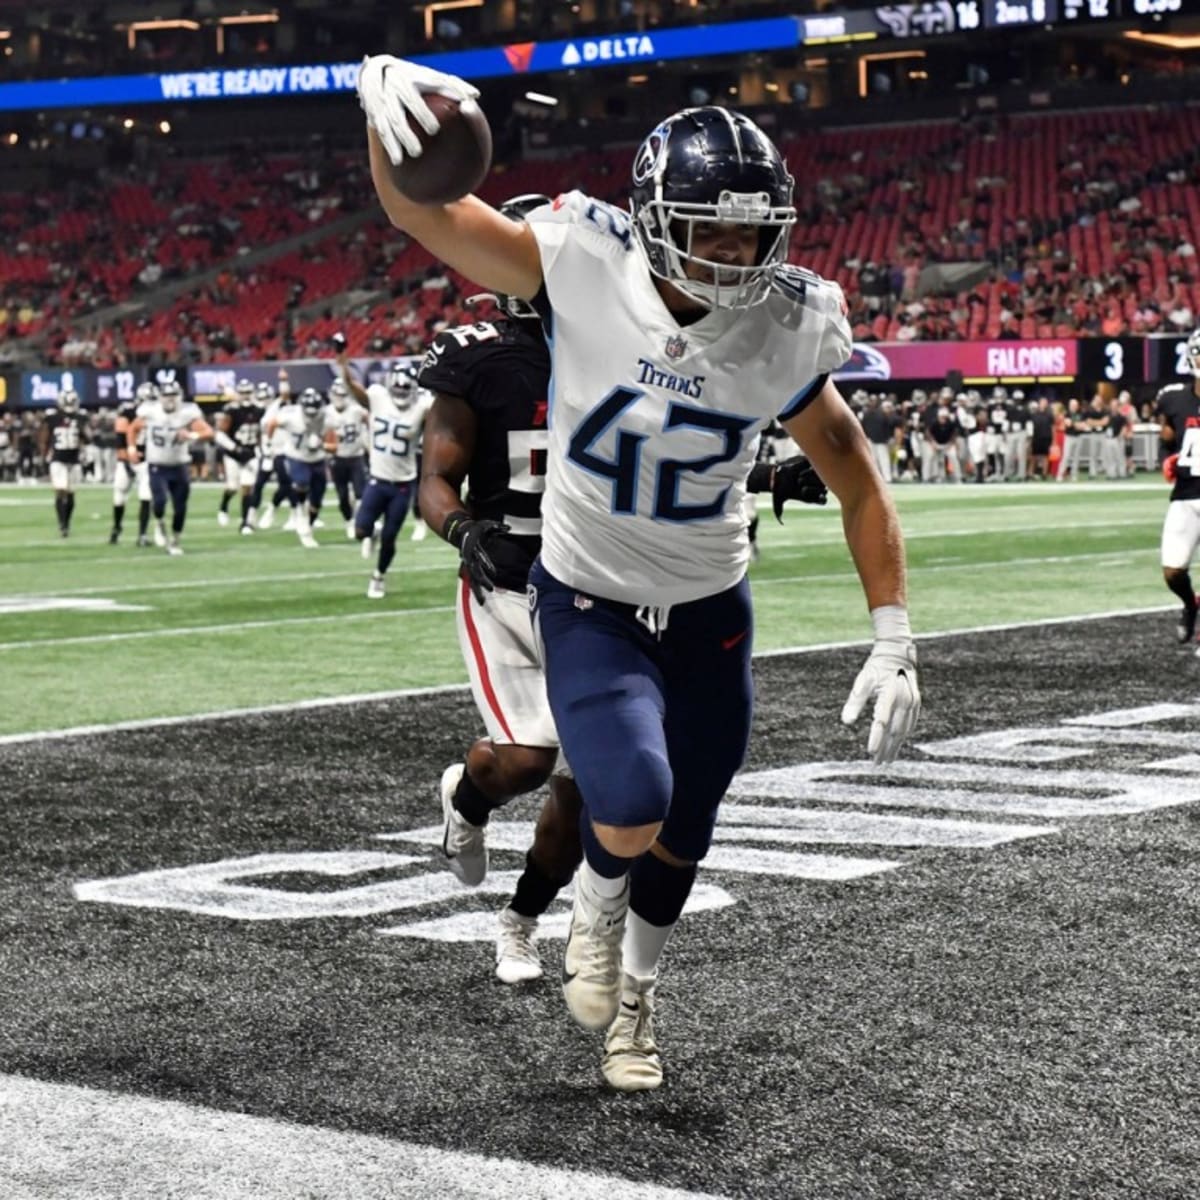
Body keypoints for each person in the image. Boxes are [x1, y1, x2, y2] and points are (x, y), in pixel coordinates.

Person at [359, 61, 920, 1091]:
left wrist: (893, 635)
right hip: (588, 598)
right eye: (706, 227)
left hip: (712, 609)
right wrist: (385, 125)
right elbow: (427, 214)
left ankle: (637, 1005)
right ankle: (592, 917)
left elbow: (857, 478)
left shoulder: (788, 320)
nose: (731, 249)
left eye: (750, 230)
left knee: (687, 833)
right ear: (655, 216)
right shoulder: (580, 262)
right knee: (628, 800)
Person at [337, 357, 431, 597]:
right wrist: (343, 364)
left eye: (405, 388)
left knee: (390, 537)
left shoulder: (422, 406)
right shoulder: (377, 397)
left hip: (403, 484)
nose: (400, 392)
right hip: (378, 481)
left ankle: (379, 576)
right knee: (360, 532)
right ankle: (372, 533)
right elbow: (353, 388)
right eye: (397, 387)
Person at [128, 380, 213, 556]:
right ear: (160, 397)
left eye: (173, 396)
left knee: (180, 507)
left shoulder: (187, 413)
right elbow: (133, 428)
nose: (170, 400)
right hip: (157, 464)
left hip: (179, 465)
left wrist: (191, 435)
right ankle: (159, 523)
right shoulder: (150, 411)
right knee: (159, 502)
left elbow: (208, 432)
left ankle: (175, 540)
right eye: (166, 396)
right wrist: (131, 448)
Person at [1155, 327, 1200, 644]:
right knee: (1172, 570)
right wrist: (1168, 458)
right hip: (1185, 496)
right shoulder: (1173, 398)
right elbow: (1168, 437)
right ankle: (1190, 603)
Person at [267, 387, 329, 549]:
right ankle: (299, 511)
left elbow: (333, 438)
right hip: (297, 456)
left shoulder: (325, 416)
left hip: (318, 458)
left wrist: (323, 443)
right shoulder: (291, 417)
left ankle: (308, 524)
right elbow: (272, 423)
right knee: (301, 483)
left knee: (317, 499)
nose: (311, 414)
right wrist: (269, 442)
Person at [215, 378, 263, 534]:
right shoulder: (231, 411)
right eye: (243, 393)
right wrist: (235, 448)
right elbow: (220, 435)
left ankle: (245, 523)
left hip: (250, 453)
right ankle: (223, 506)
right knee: (232, 487)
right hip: (233, 454)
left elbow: (262, 433)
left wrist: (262, 449)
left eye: (248, 392)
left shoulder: (259, 410)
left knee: (247, 487)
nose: (246, 396)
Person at [111, 381, 156, 545]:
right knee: (119, 494)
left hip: (147, 460)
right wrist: (125, 460)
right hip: (127, 458)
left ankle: (142, 535)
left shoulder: (158, 413)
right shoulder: (128, 411)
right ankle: (116, 528)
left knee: (146, 496)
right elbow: (120, 437)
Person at [324, 378, 369, 539]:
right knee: (342, 496)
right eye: (337, 394)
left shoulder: (357, 410)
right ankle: (349, 521)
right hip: (337, 458)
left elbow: (371, 420)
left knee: (360, 493)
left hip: (356, 456)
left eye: (343, 394)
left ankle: (360, 522)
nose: (340, 398)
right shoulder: (326, 412)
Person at [41, 388, 89, 538]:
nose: (70, 404)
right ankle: (62, 524)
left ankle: (66, 523)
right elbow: (44, 436)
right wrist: (44, 454)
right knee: (60, 490)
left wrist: (82, 432)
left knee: (71, 493)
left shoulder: (80, 418)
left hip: (74, 459)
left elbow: (87, 438)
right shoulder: (52, 417)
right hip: (58, 458)